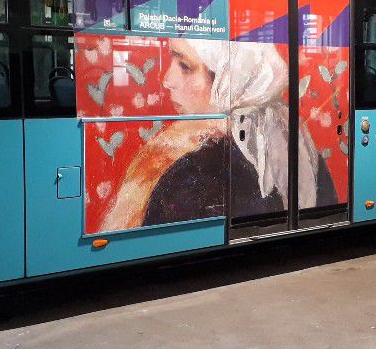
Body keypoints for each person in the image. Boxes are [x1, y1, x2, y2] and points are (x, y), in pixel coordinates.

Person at [101, 37, 336, 231]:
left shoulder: (191, 173)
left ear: (229, 81)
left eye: (185, 66)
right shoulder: (294, 143)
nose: (167, 81)